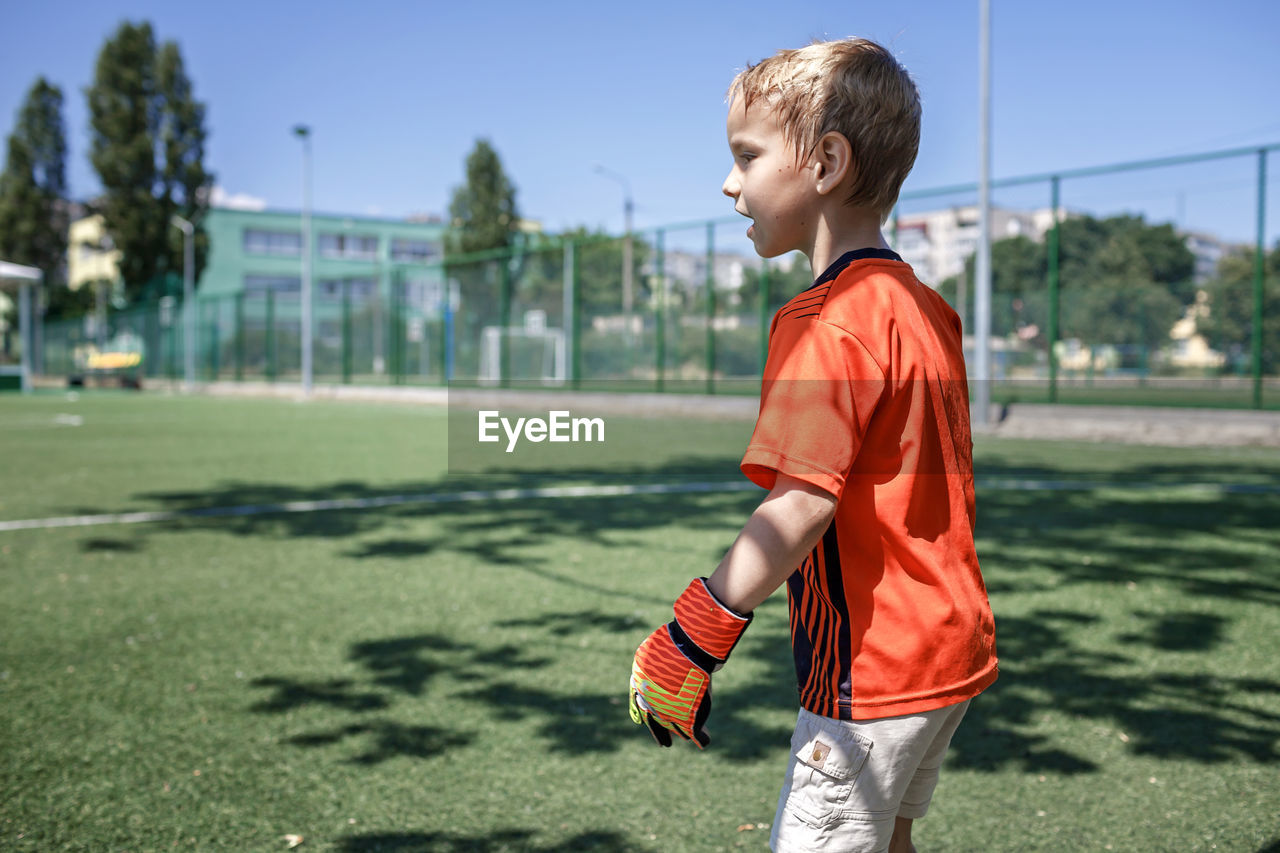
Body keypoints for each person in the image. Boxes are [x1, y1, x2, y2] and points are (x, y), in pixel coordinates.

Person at [629, 38, 998, 853]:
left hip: (873, 669)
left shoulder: (823, 321)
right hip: (948, 648)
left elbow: (801, 503)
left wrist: (694, 633)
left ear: (827, 161)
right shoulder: (926, 308)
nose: (731, 182)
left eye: (747, 155)